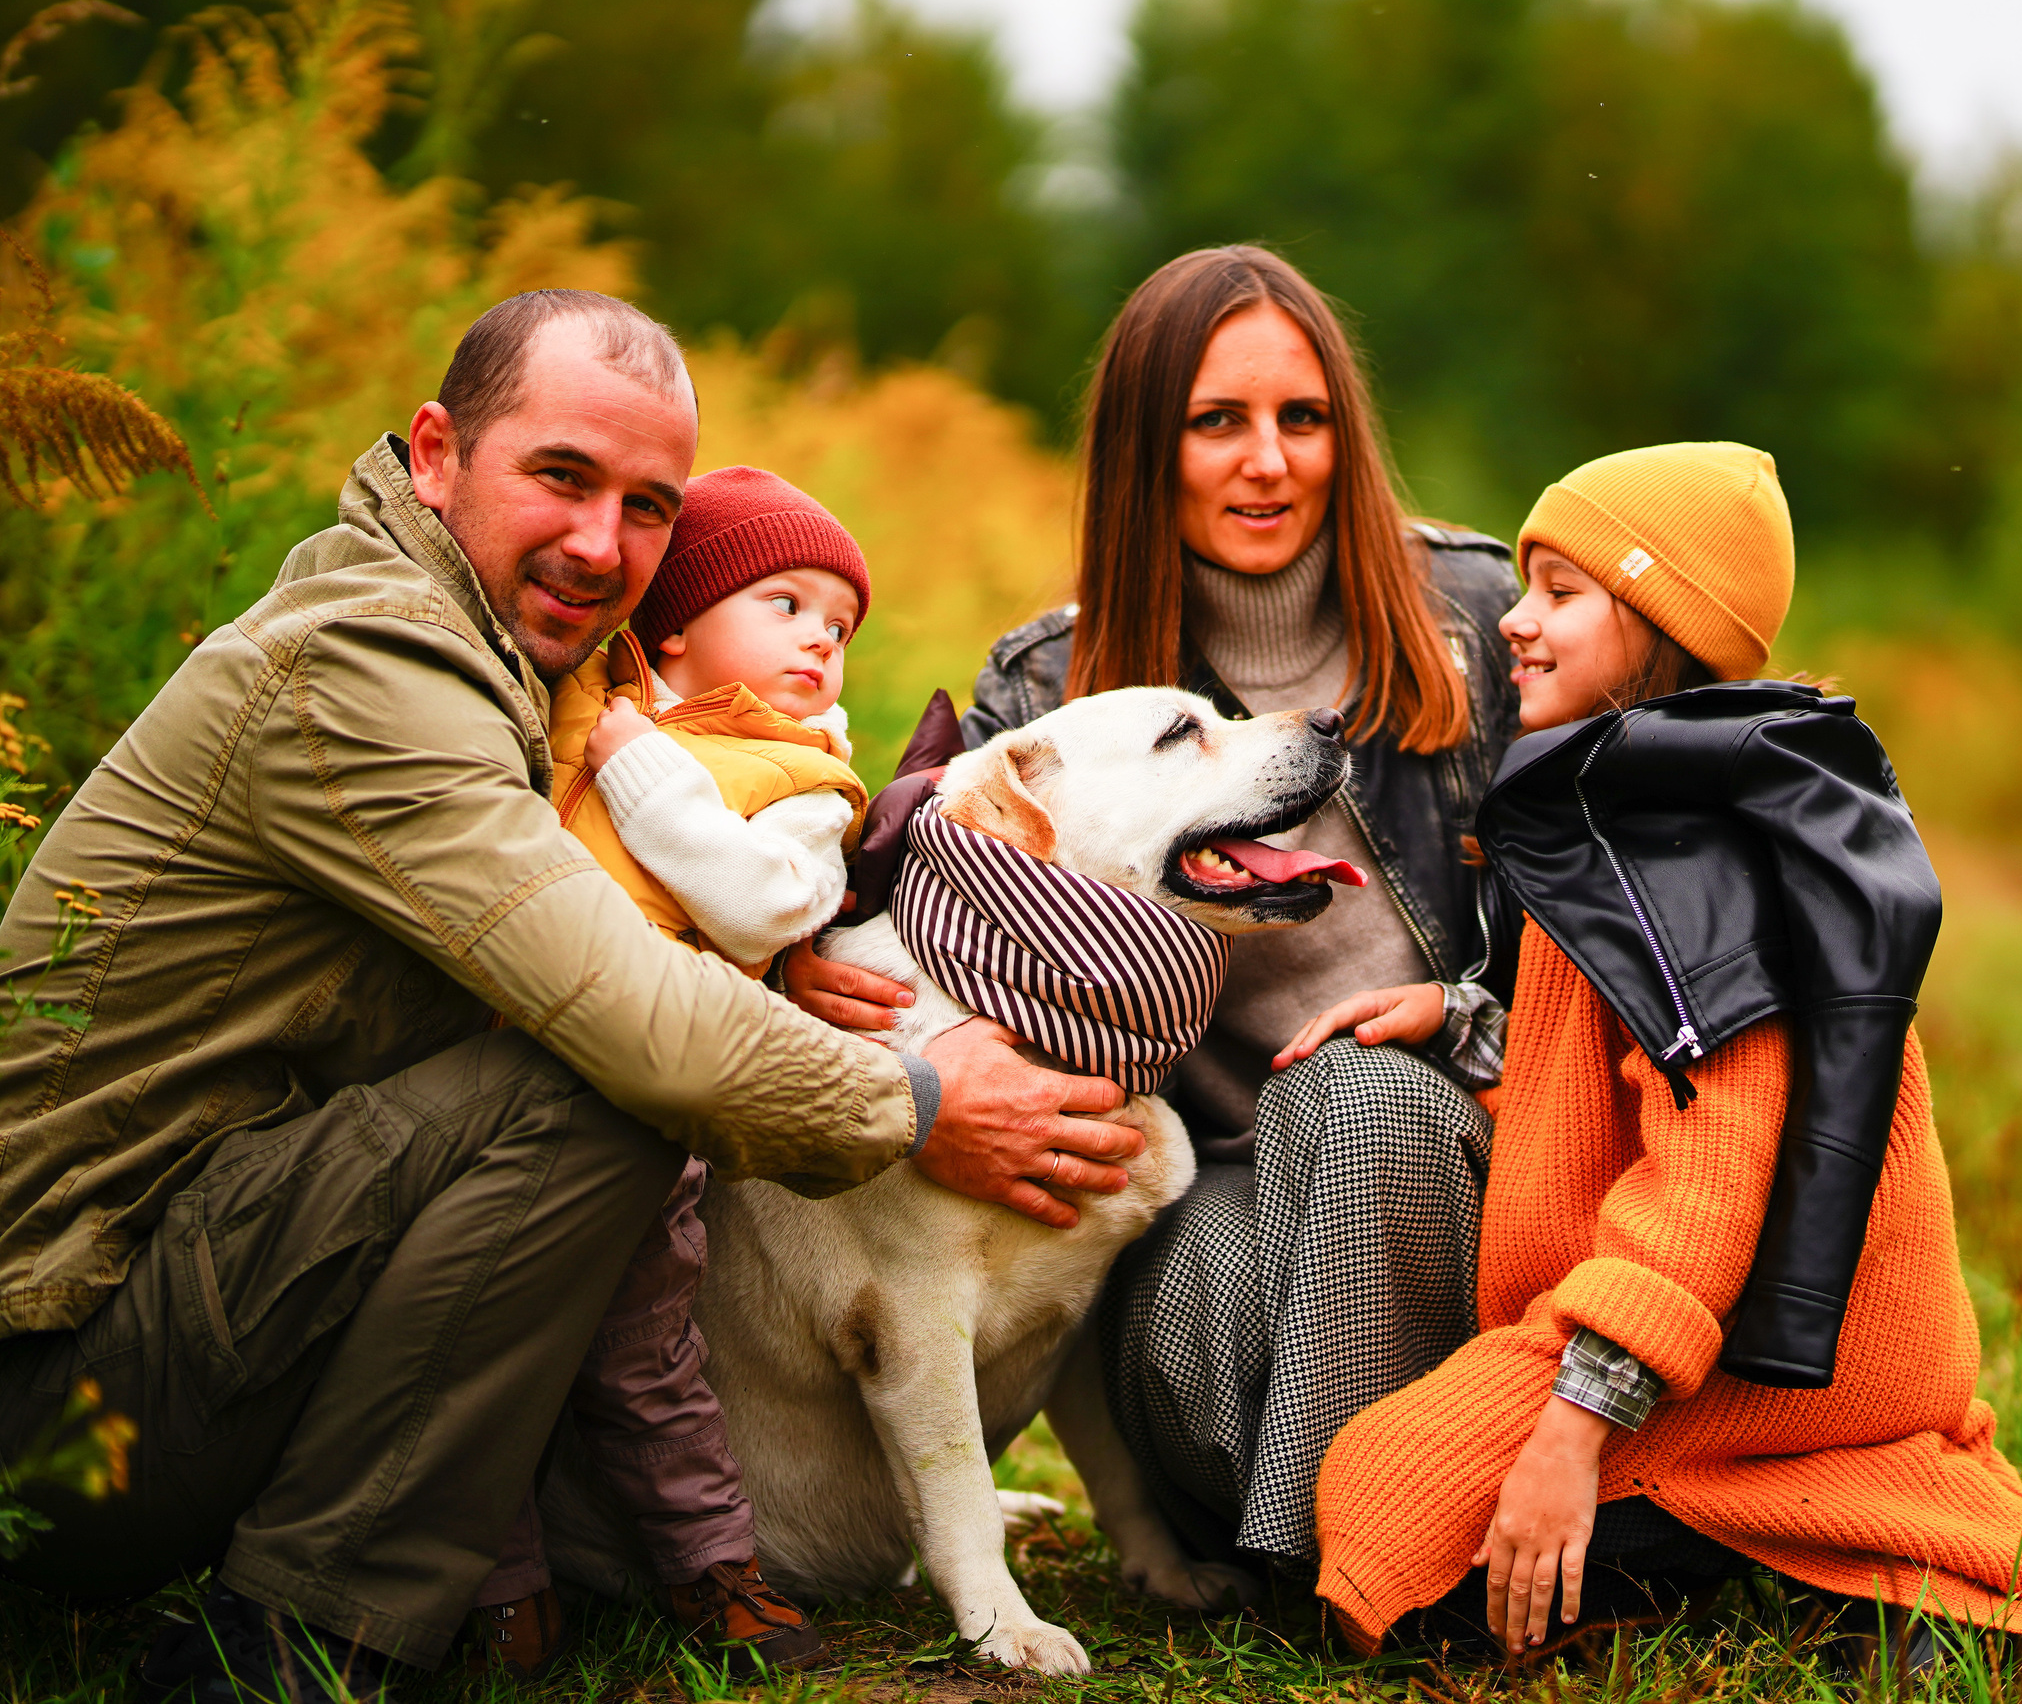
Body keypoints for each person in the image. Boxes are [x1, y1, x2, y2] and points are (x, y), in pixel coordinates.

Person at [0, 290, 1139, 1702]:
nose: (604, 544)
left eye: (649, 505)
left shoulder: (532, 678)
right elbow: (623, 1005)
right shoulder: (371, 663)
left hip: (184, 1319)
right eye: (560, 475)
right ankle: (305, 1639)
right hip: (60, 1393)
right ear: (434, 453)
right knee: (604, 1079)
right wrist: (917, 1102)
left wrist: (795, 963)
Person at [1308, 444, 2022, 1666]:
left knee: (1391, 1515)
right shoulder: (1633, 793)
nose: (1516, 626)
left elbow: (1713, 1169)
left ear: (1656, 619)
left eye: (1560, 592)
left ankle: (1920, 1556)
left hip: (1758, 1355)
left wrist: (1573, 1432)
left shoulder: (1691, 848)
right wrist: (1464, 1021)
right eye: (1524, 587)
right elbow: (1614, 1055)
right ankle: (1793, 1545)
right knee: (1383, 1514)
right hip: (1693, 1331)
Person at [956, 245, 1519, 1579]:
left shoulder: (1490, 619)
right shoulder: (1051, 689)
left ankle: (1339, 1576)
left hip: (1468, 1161)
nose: (1268, 460)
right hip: (1211, 1175)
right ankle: (1364, 1528)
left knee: (1357, 1089)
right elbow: (949, 922)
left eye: (1302, 418)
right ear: (1151, 444)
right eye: (1218, 421)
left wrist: (1472, 1019)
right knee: (1201, 1376)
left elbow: (1632, 917)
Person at [463, 465, 880, 1680]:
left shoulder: (803, 781)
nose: (820, 639)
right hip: (499, 1085)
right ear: (679, 625)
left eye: (840, 626)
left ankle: (713, 1569)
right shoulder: (587, 699)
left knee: (646, 1361)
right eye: (787, 603)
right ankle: (503, 1593)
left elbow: (756, 909)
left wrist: (638, 758)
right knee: (492, 1355)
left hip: (646, 1128)